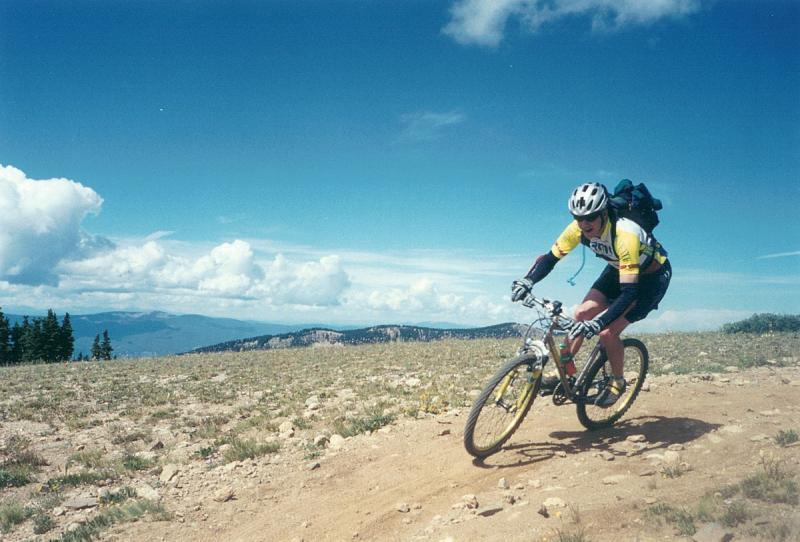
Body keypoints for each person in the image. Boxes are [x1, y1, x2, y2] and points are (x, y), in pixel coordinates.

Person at [510, 182, 671, 407]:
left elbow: (629, 292)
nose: (584, 224)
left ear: (603, 212)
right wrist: (528, 281)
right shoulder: (577, 229)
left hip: (650, 281)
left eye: (591, 217)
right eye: (578, 218)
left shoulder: (625, 234)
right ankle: (564, 373)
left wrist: (597, 324)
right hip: (619, 269)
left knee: (606, 333)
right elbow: (550, 258)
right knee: (581, 313)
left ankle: (617, 381)